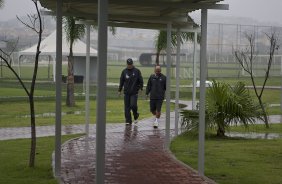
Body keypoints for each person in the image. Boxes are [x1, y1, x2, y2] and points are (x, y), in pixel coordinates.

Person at [118, 58, 143, 125]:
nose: (129, 65)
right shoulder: (124, 71)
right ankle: (128, 120)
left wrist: (141, 88)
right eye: (128, 64)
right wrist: (119, 90)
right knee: (127, 107)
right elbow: (121, 81)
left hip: (134, 92)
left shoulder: (137, 71)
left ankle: (136, 115)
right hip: (126, 93)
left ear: (132, 64)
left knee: (133, 105)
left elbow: (140, 80)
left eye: (131, 64)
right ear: (127, 64)